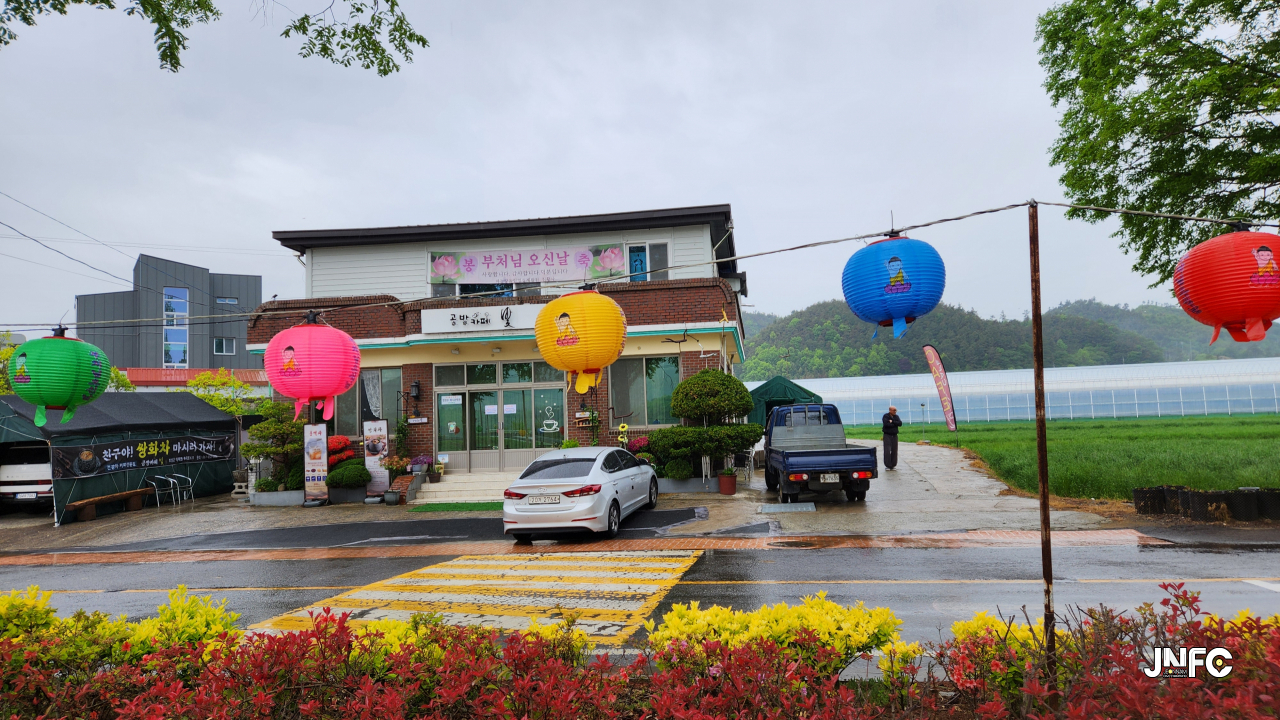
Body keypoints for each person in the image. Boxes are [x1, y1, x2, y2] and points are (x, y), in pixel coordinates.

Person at [882, 405, 902, 470]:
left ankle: (893, 465)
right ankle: (888, 465)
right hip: (887, 435)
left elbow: (900, 423)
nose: (895, 411)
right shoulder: (886, 416)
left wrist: (892, 421)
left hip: (894, 435)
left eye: (895, 410)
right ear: (890, 410)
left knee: (894, 450)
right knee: (887, 450)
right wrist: (895, 424)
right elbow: (886, 424)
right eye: (894, 410)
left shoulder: (896, 416)